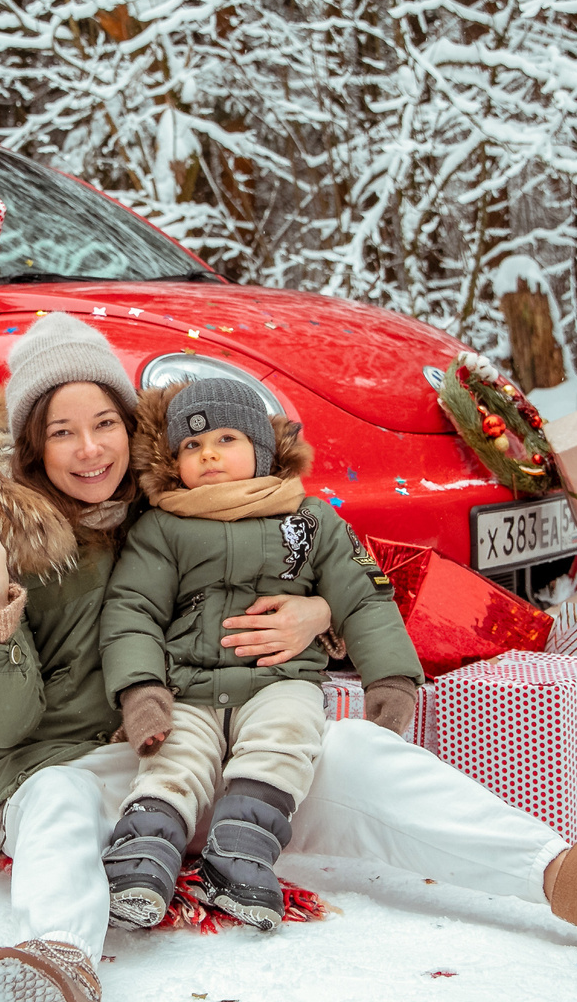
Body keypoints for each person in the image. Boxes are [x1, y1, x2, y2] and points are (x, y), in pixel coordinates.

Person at [0, 312, 577, 1002]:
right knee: (62, 797)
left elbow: (319, 554)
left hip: (202, 748)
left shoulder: (178, 495)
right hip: (72, 770)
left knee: (348, 746)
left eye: (105, 422)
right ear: (32, 447)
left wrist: (322, 611)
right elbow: (1, 725)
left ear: (132, 426)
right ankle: (62, 974)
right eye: (61, 431)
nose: (88, 449)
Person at [94, 374, 422, 932]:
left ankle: (242, 850)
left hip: (278, 681)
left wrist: (391, 679)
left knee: (287, 737)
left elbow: (363, 596)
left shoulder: (308, 520)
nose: (209, 456)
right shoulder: (165, 527)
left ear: (262, 449)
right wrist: (142, 690)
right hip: (189, 685)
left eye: (227, 440)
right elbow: (132, 611)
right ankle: (144, 853)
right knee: (174, 756)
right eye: (192, 446)